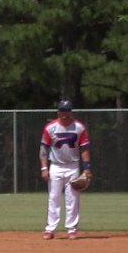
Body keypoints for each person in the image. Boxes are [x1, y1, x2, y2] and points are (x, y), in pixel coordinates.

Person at [41, 100, 91, 240]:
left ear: (71, 112)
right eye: (62, 111)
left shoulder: (79, 127)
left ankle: (72, 229)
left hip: (72, 165)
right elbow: (44, 148)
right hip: (55, 166)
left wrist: (87, 168)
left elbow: (84, 148)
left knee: (73, 198)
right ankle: (50, 229)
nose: (64, 114)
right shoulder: (51, 127)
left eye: (67, 111)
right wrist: (44, 167)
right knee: (54, 197)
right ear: (58, 112)